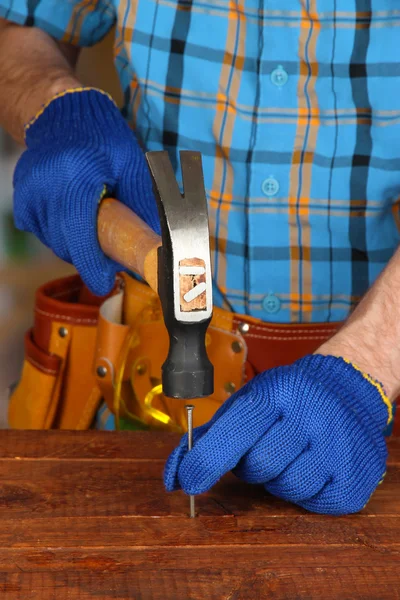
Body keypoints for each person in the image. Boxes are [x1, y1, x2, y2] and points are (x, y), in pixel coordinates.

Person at [0, 2, 398, 516]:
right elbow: (23, 25)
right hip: (141, 396)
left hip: (373, 421)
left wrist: (369, 365)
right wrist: (56, 104)